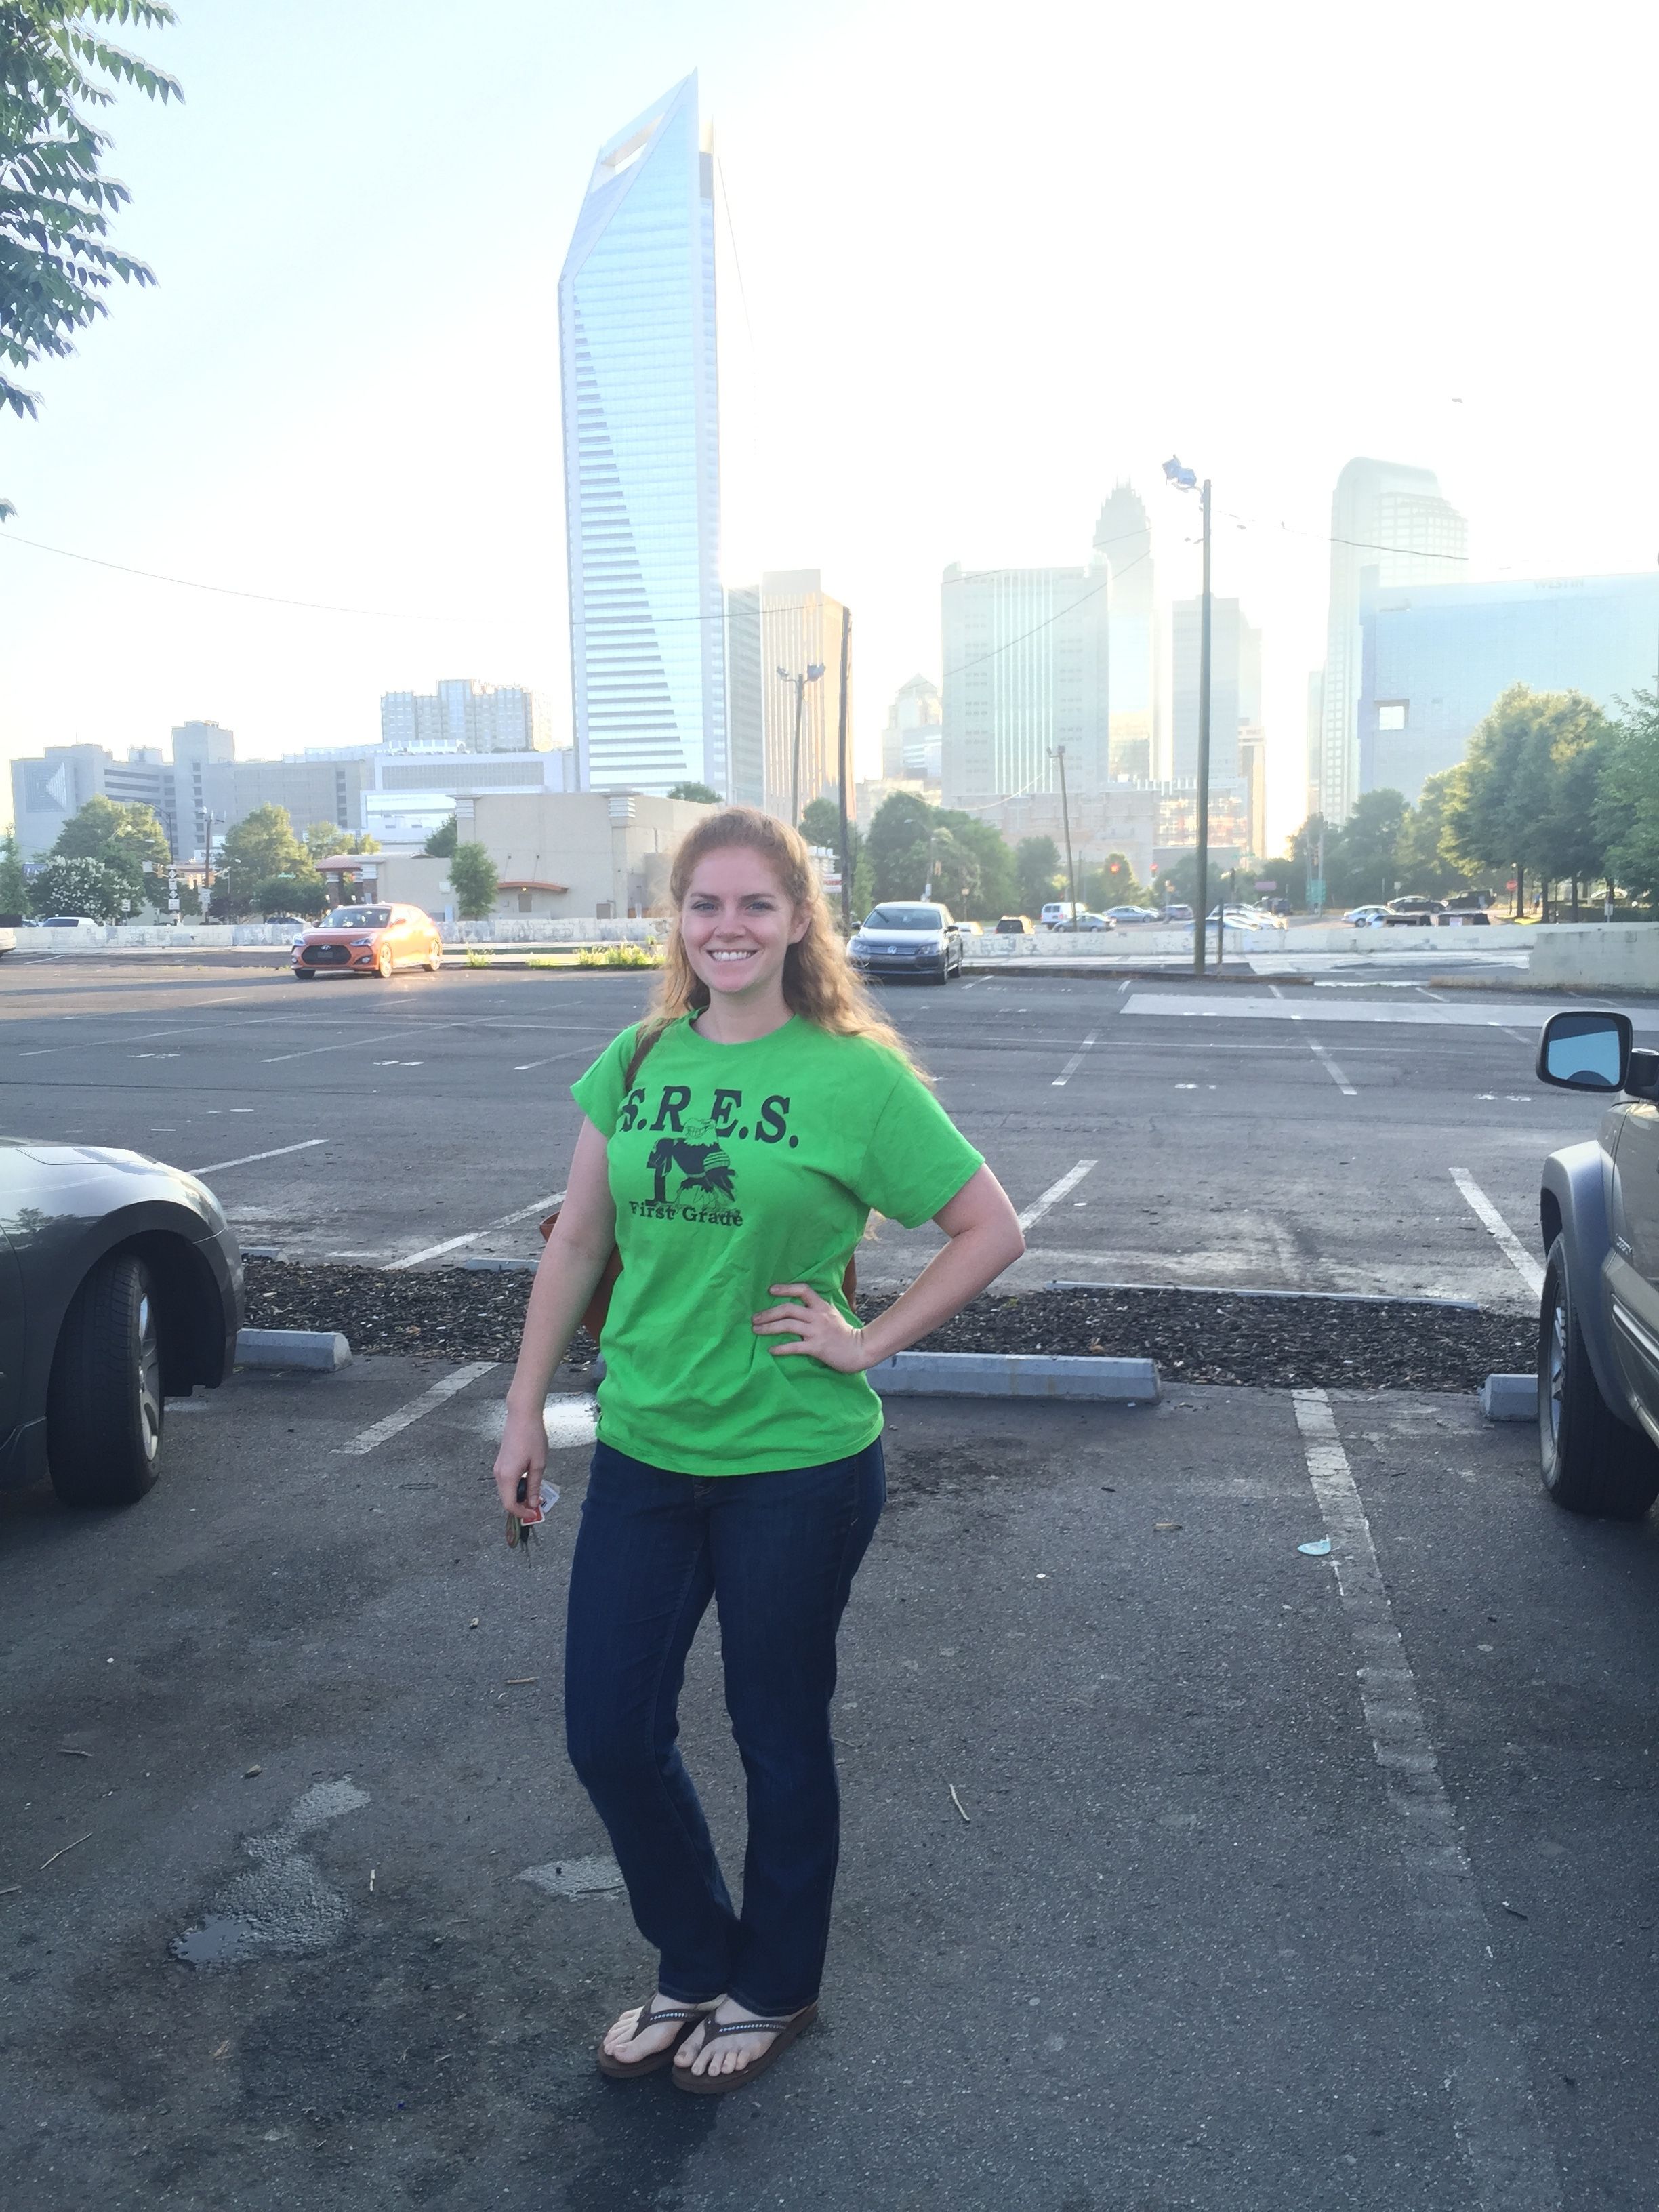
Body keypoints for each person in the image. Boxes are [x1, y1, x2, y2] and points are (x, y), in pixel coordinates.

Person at [493, 806, 1025, 2094]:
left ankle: (773, 1983)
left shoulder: (853, 1075)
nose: (726, 928)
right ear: (677, 922)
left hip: (797, 1459)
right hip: (647, 1448)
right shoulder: (637, 1058)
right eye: (703, 905)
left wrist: (865, 1339)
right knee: (610, 1733)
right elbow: (575, 1239)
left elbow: (988, 1226)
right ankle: (693, 1959)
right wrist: (523, 1410)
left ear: (798, 922)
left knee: (775, 1727)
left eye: (753, 906)